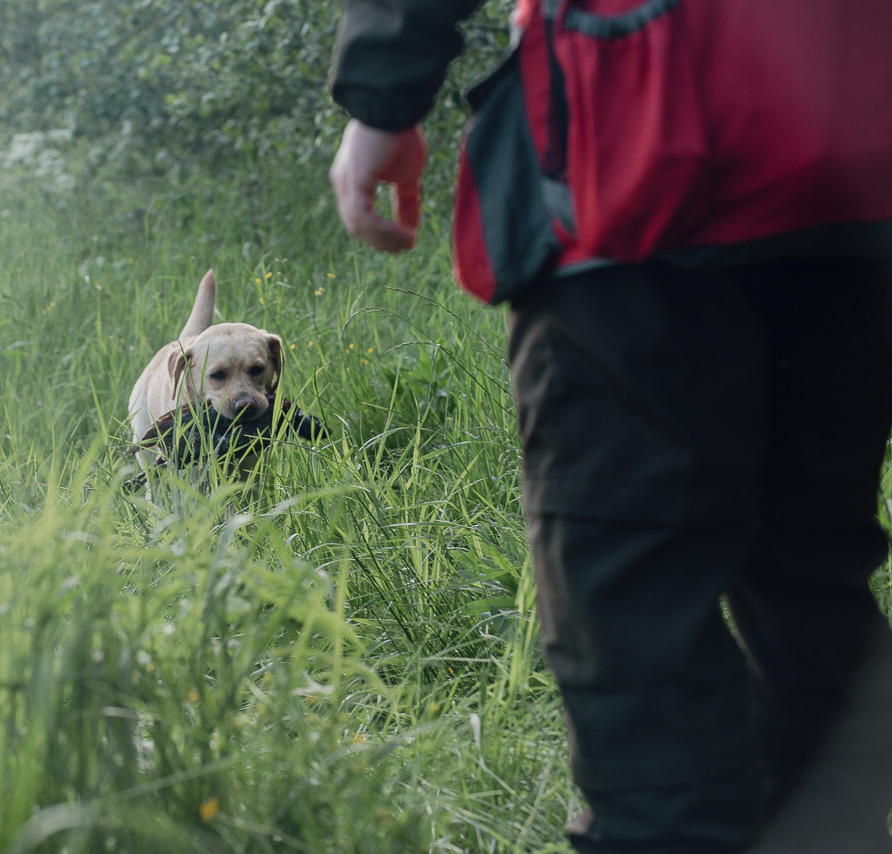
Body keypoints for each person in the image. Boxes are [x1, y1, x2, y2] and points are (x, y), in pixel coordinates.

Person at [327, 1, 892, 852]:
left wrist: (383, 95)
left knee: (631, 608)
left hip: (634, 152)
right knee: (815, 573)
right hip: (858, 165)